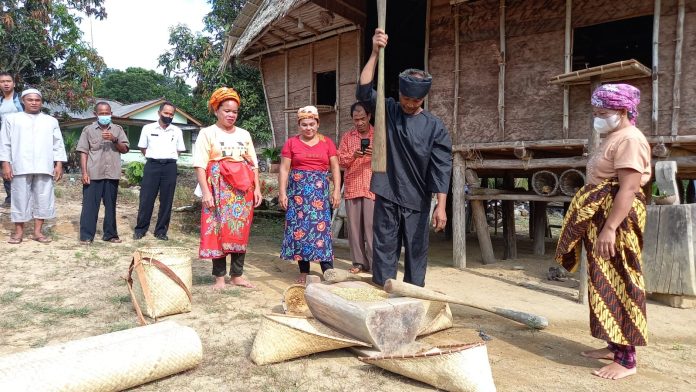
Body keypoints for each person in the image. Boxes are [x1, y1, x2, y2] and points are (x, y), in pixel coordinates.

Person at [555, 83, 651, 380]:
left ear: (622, 111)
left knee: (619, 279)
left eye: (603, 112)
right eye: (595, 112)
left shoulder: (631, 140)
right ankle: (613, 345)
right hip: (603, 218)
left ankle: (626, 359)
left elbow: (630, 188)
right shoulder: (614, 135)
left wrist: (610, 228)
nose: (598, 117)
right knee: (602, 280)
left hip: (616, 221)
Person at [357, 29, 452, 287]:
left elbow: (441, 168)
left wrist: (441, 206)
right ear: (399, 93)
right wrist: (375, 52)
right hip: (387, 191)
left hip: (418, 199)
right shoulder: (387, 110)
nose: (410, 103)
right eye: (406, 98)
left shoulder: (435, 127)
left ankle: (412, 296)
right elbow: (364, 90)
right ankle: (383, 293)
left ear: (424, 98)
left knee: (416, 252)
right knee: (384, 247)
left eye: (416, 99)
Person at [193, 87, 262, 290]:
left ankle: (237, 275)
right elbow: (200, 164)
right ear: (216, 110)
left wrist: (257, 188)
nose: (231, 115)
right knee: (218, 230)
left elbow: (253, 164)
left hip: (243, 190)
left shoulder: (244, 134)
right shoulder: (207, 133)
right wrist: (206, 192)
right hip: (217, 189)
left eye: (234, 111)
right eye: (226, 111)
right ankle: (220, 277)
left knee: (240, 230)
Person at [279, 106, 341, 284]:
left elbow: (335, 167)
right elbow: (284, 169)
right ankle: (304, 271)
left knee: (322, 230)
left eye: (312, 124)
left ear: (318, 124)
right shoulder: (291, 143)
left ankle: (327, 269)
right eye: (304, 124)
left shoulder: (327, 142)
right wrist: (282, 193)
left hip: (319, 194)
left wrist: (336, 190)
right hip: (297, 194)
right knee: (301, 230)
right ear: (299, 125)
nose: (308, 128)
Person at [0, 88, 67, 244]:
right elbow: (5, 143)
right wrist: (5, 164)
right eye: (30, 100)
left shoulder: (50, 121)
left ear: (41, 102)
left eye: (37, 100)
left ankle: (38, 232)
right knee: (19, 198)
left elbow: (58, 144)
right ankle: (18, 232)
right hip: (20, 165)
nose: (34, 102)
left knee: (43, 198)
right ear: (23, 101)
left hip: (44, 165)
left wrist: (59, 164)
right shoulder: (12, 119)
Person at [76, 102, 129, 245]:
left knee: (111, 205)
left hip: (112, 173)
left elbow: (124, 149)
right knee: (89, 206)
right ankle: (86, 236)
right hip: (94, 173)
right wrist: (84, 173)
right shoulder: (88, 130)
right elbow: (83, 152)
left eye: (107, 113)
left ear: (111, 113)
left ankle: (110, 234)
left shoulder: (118, 129)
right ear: (95, 114)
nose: (104, 116)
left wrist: (114, 139)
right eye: (102, 113)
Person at [133, 101, 186, 241]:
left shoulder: (177, 131)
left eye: (171, 114)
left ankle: (161, 231)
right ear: (159, 113)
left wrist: (167, 159)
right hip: (152, 166)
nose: (168, 116)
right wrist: (155, 158)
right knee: (146, 199)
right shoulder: (148, 128)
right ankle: (141, 229)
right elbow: (143, 148)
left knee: (167, 200)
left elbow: (179, 150)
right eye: (166, 113)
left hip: (170, 167)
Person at [337, 101, 375, 274]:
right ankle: (359, 262)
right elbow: (339, 161)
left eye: (362, 118)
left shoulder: (379, 135)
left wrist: (375, 154)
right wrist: (353, 156)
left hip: (372, 187)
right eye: (355, 119)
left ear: (369, 116)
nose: (359, 122)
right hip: (353, 186)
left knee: (371, 227)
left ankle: (375, 264)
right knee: (354, 228)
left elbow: (389, 159)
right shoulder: (347, 137)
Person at [0, 72, 24, 206]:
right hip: (4, 140)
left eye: (8, 81)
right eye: (2, 81)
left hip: (20, 140)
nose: (6, 83)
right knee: (5, 168)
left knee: (20, 168)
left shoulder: (20, 101)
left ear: (14, 84)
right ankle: (10, 198)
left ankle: (22, 197)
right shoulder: (1, 102)